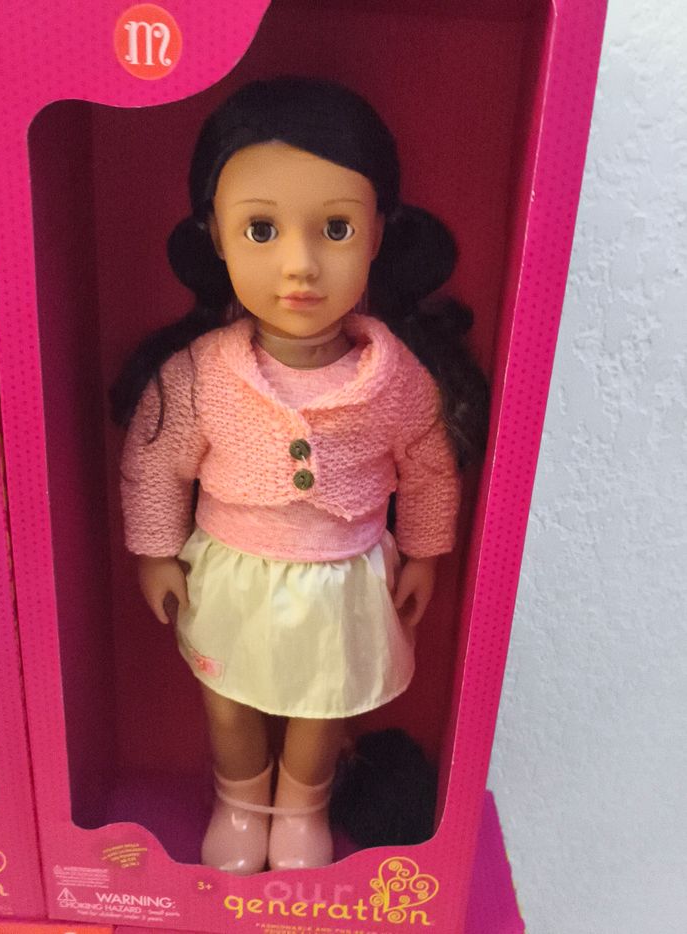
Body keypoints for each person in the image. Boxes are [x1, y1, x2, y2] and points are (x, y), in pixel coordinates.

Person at [111, 76, 488, 875]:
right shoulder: (200, 374)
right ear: (216, 236)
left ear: (378, 234)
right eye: (260, 230)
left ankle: (301, 808)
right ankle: (241, 806)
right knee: (228, 703)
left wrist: (425, 553)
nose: (300, 266)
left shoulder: (396, 378)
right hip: (232, 572)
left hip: (342, 578)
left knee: (323, 707)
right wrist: (154, 552)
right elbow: (155, 460)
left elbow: (429, 468)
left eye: (336, 229)